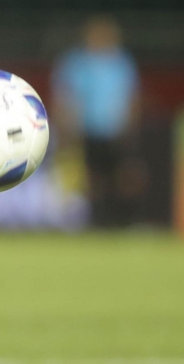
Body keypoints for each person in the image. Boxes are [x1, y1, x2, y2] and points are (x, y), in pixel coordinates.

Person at [51, 17, 142, 228]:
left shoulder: (122, 63)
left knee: (124, 177)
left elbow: (132, 96)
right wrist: (66, 126)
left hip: (116, 130)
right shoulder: (76, 63)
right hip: (88, 130)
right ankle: (96, 222)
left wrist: (131, 125)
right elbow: (66, 96)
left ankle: (126, 221)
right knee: (92, 179)